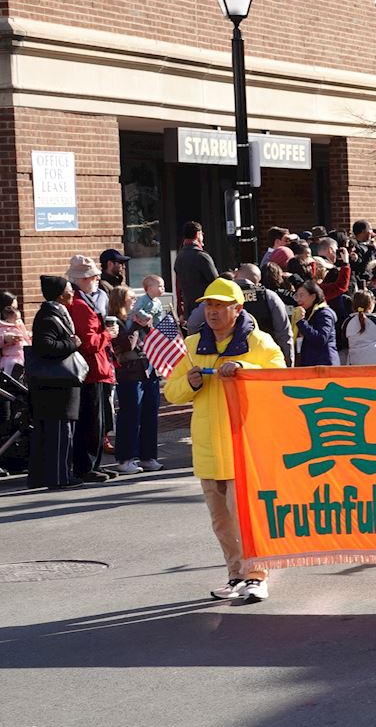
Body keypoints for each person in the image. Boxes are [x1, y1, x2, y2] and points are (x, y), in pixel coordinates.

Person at [164, 278, 285, 602]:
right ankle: (235, 575)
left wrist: (244, 367)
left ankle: (257, 576)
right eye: (209, 305)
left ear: (238, 308)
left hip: (243, 445)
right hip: (207, 447)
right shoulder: (192, 345)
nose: (212, 311)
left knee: (246, 517)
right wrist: (189, 383)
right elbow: (171, 392)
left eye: (220, 305)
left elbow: (278, 380)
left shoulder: (259, 342)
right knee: (221, 521)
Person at [28, 276, 84, 489]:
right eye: (69, 290)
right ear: (60, 295)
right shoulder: (47, 317)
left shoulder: (58, 313)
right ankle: (58, 477)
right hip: (54, 386)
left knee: (64, 432)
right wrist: (72, 343)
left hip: (62, 384)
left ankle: (61, 473)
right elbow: (45, 346)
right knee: (58, 433)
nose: (73, 293)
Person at [65, 255, 117, 482]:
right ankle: (86, 466)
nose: (97, 279)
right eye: (93, 276)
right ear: (83, 279)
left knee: (98, 421)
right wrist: (108, 334)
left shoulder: (84, 302)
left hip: (96, 368)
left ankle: (93, 464)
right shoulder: (81, 305)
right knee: (91, 421)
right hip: (92, 369)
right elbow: (90, 343)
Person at [109, 285, 162, 474]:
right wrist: (136, 325)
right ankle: (125, 458)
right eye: (131, 298)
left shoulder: (136, 318)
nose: (134, 301)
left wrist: (147, 324)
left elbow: (155, 337)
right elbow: (126, 345)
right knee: (131, 416)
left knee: (150, 414)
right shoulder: (114, 322)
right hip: (129, 373)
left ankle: (148, 456)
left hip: (148, 370)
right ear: (121, 301)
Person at [233, 264, 294, 367]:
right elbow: (284, 334)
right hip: (264, 361)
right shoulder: (268, 296)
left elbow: (200, 325)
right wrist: (288, 365)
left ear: (236, 274)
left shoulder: (222, 297)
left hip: (228, 363)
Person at [174, 221, 218, 321]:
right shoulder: (202, 256)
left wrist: (180, 311)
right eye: (202, 234)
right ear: (198, 234)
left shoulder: (179, 257)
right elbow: (216, 283)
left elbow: (178, 288)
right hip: (206, 311)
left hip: (189, 312)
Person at [293, 280, 338, 367]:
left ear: (313, 296)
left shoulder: (324, 313)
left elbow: (321, 339)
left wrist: (301, 322)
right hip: (309, 364)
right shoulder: (305, 313)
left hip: (324, 365)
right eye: (296, 296)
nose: (298, 300)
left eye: (301, 295)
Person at [0, 304, 30, 375]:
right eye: (16, 319)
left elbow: (25, 336)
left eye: (20, 319)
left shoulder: (20, 326)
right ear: (7, 320)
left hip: (22, 354)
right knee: (10, 373)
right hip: (11, 357)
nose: (19, 321)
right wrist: (6, 338)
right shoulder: (4, 328)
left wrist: (28, 336)